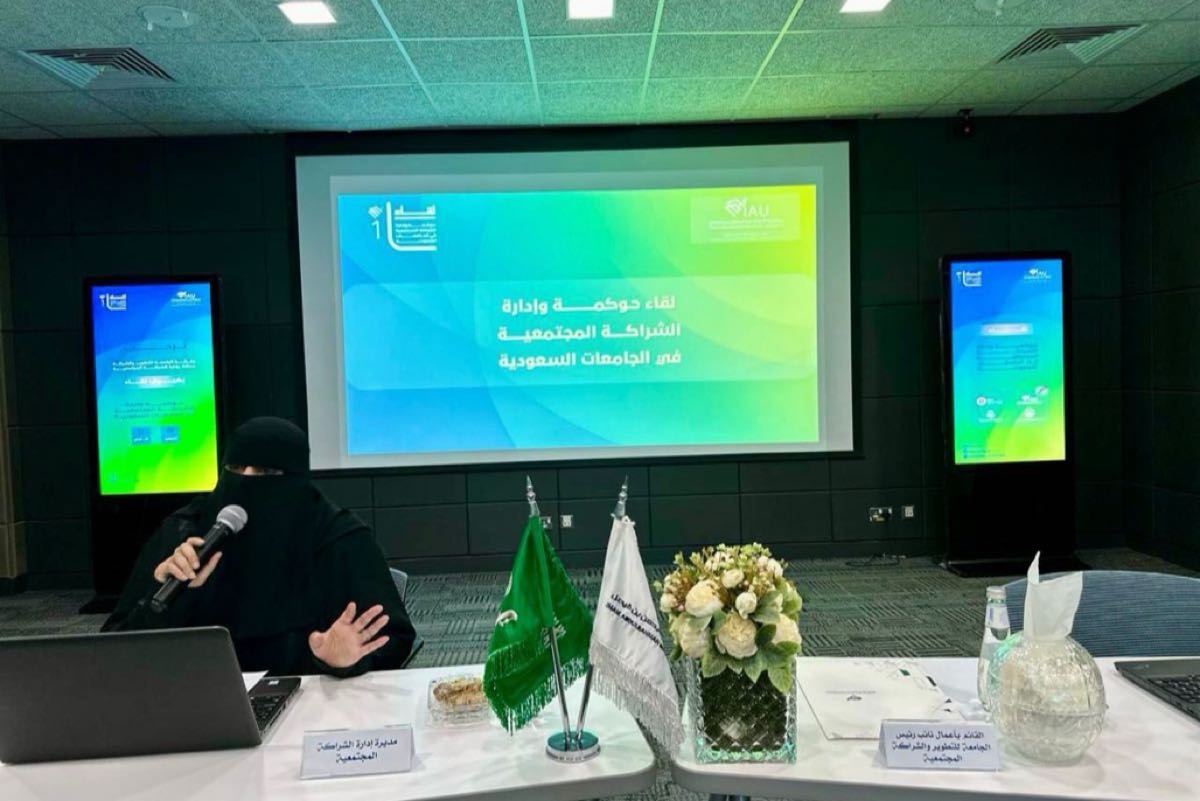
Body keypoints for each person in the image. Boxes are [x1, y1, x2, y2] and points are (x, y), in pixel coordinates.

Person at [104, 417, 416, 677]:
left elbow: (392, 639)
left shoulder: (337, 538)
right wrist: (160, 597)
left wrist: (340, 661)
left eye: (266, 473)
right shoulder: (187, 534)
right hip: (196, 698)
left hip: (312, 701)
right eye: (236, 468)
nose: (246, 483)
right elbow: (115, 650)